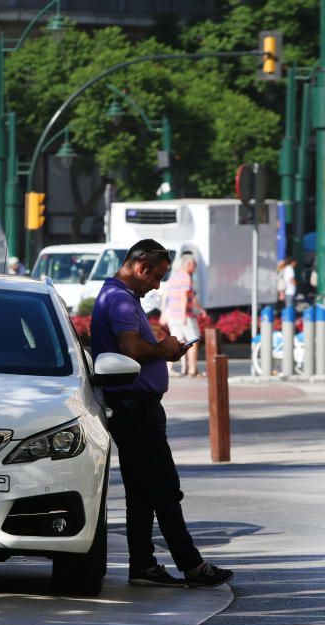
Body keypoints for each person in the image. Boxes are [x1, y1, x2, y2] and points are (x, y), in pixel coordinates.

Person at [91, 238, 234, 589]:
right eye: (156, 276)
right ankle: (193, 565)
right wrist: (164, 349)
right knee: (165, 488)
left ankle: (143, 565)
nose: (157, 285)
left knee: (141, 491)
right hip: (134, 408)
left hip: (133, 406)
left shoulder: (116, 296)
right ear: (141, 268)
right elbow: (131, 348)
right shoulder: (121, 300)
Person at [162, 252, 202, 377]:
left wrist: (164, 312)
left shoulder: (174, 277)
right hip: (184, 315)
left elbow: (166, 295)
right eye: (194, 264)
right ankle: (192, 370)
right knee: (193, 340)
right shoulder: (186, 276)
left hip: (173, 314)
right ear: (188, 264)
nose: (195, 267)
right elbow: (185, 296)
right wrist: (184, 315)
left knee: (176, 341)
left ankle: (168, 368)